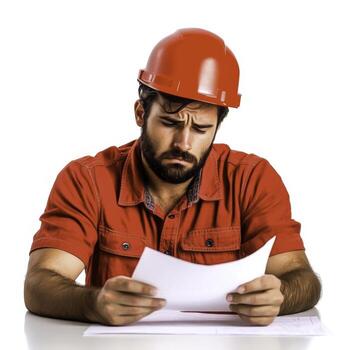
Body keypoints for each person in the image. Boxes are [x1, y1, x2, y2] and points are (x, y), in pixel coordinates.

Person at [24, 28, 321, 327]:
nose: (184, 143)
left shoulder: (253, 180)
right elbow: (40, 283)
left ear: (217, 125)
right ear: (141, 113)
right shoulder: (86, 180)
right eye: (169, 123)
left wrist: (279, 295)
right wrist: (93, 303)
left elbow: (302, 278)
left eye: (201, 129)